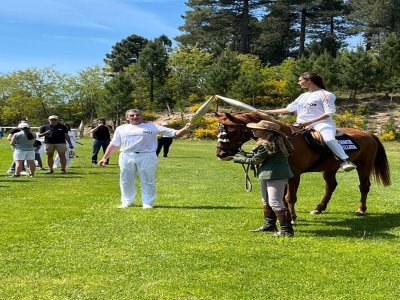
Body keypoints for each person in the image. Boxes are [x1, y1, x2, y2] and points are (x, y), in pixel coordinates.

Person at [98, 109, 191, 209]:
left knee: (148, 180)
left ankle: (147, 203)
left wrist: (185, 128)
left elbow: (176, 133)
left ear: (142, 116)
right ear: (127, 118)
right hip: (126, 156)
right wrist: (104, 158)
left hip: (147, 156)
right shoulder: (121, 129)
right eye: (132, 115)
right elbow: (114, 145)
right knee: (126, 180)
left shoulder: (152, 126)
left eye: (137, 115)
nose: (135, 117)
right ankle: (127, 201)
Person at [264, 71, 356, 172]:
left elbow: (330, 112)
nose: (298, 83)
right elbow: (288, 109)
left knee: (328, 139)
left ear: (309, 81)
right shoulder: (303, 96)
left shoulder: (326, 94)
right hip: (300, 125)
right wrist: (267, 111)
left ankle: (345, 160)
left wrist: (310, 122)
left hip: (322, 124)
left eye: (300, 80)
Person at [222, 120, 295, 237]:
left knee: (275, 202)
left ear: (266, 132)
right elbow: (260, 157)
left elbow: (256, 160)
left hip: (275, 175)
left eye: (256, 129)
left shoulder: (267, 144)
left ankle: (286, 231)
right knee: (266, 201)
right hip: (270, 175)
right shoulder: (270, 142)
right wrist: (243, 155)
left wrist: (234, 158)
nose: (253, 130)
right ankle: (269, 225)